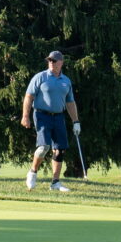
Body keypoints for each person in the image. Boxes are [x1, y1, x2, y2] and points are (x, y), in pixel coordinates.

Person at [21, 50, 80, 192]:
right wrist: (25, 116)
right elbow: (29, 97)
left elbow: (70, 102)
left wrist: (76, 121)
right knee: (43, 148)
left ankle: (55, 183)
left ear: (61, 62)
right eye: (50, 60)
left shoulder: (66, 81)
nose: (51, 63)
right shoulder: (40, 77)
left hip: (59, 116)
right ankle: (33, 172)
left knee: (60, 150)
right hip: (42, 115)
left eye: (54, 61)